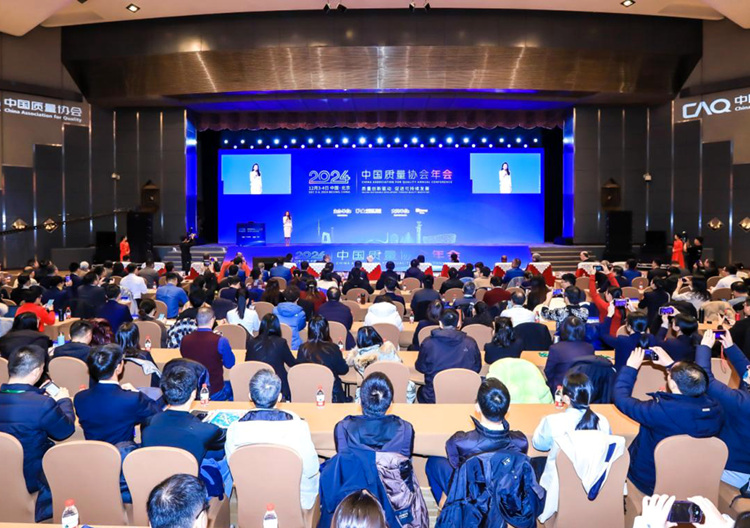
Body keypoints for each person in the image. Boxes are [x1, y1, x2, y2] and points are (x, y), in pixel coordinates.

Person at [613, 347, 724, 495]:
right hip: (692, 479)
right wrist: (671, 365)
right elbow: (691, 383)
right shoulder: (716, 408)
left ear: (672, 385)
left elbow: (621, 398)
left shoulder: (660, 411)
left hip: (650, 480)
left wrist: (630, 368)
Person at [226, 369, 319, 510]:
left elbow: (234, 466)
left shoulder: (234, 429)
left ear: (250, 396)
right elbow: (311, 469)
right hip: (295, 501)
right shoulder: (298, 427)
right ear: (279, 397)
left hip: (253, 499)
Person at [0, 346, 75, 521]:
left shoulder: (39, 400)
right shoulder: (42, 404)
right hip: (31, 478)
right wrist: (64, 401)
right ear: (36, 372)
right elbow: (65, 430)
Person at [425, 378, 528, 503]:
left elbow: (456, 465)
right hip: (502, 495)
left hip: (471, 495)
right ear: (508, 409)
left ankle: (448, 506)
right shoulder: (521, 441)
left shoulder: (461, 442)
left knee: (433, 462)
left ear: (477, 407)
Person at [533, 372, 612, 522]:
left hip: (558, 487)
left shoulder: (552, 421)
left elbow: (539, 444)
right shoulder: (603, 421)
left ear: (566, 398)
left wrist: (542, 423)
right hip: (592, 480)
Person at [142, 365, 227, 494]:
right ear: (194, 393)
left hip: (156, 490)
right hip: (188, 494)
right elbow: (222, 446)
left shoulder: (149, 423)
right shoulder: (205, 430)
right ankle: (222, 497)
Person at [691, 331, 750, 490]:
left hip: (737, 471)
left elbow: (706, 381)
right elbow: (747, 371)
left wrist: (704, 348)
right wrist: (730, 347)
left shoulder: (742, 402)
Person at [74, 344, 162, 444]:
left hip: (94, 452)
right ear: (119, 367)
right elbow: (157, 414)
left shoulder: (79, 398)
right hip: (122, 452)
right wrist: (137, 393)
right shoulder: (132, 399)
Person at [334, 372, 414, 457]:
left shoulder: (343, 429)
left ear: (359, 401)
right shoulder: (406, 430)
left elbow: (343, 458)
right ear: (391, 403)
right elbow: (405, 458)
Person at [416, 309, 481, 403]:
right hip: (465, 395)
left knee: (420, 390)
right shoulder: (471, 343)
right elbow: (477, 368)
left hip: (434, 397)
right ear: (458, 324)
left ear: (440, 323)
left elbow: (421, 367)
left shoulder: (428, 343)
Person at [347, 326, 416, 403]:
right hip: (397, 389)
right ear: (377, 336)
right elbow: (400, 365)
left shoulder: (359, 359)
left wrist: (355, 350)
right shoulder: (389, 350)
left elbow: (348, 361)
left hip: (372, 392)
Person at [180, 307, 235, 401]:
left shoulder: (185, 340)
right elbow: (230, 364)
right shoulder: (221, 341)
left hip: (193, 390)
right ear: (213, 320)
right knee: (233, 386)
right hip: (215, 391)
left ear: (196, 321)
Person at [297, 316, 350, 403]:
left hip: (307, 391)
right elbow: (343, 370)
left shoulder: (302, 349)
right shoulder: (333, 348)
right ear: (326, 330)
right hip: (332, 394)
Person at [245, 314, 296, 400]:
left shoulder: (251, 342)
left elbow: (247, 362)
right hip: (277, 384)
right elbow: (291, 363)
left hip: (256, 383)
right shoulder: (281, 343)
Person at [544, 316, 595, 391]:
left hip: (560, 388)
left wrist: (554, 385)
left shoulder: (555, 348)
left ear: (563, 330)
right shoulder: (590, 347)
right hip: (583, 389)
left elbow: (548, 371)